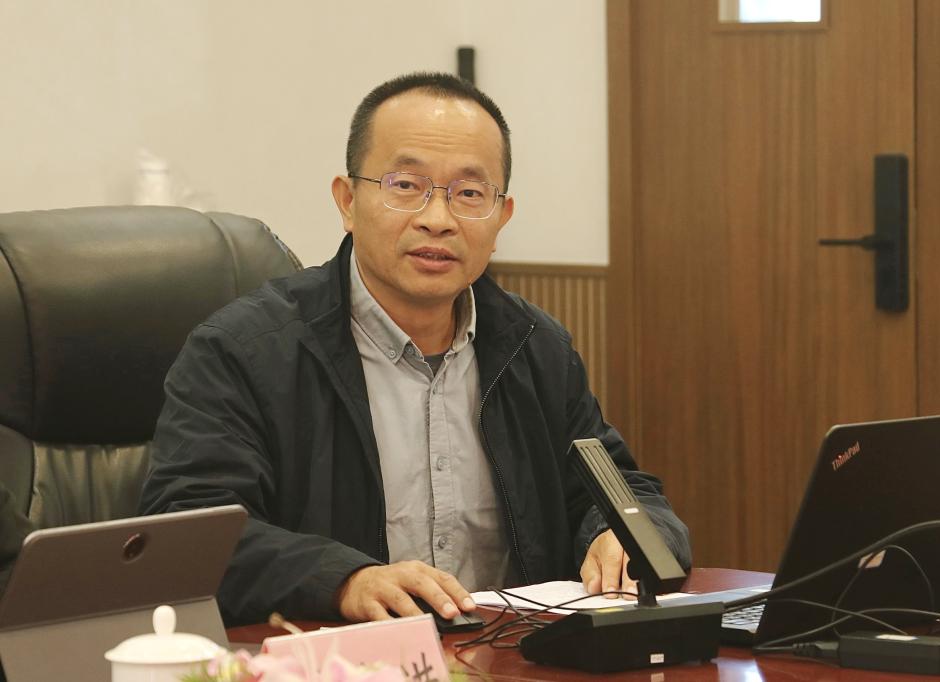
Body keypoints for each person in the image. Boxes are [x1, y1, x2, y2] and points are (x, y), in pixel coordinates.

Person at [139, 72, 691, 627]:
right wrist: (343, 580)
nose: (437, 219)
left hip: (513, 656)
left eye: (469, 194)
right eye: (406, 185)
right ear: (348, 201)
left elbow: (623, 490)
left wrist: (621, 535)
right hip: (340, 657)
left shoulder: (535, 347)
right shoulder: (244, 353)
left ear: (501, 218)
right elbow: (188, 533)